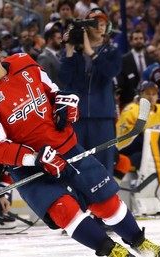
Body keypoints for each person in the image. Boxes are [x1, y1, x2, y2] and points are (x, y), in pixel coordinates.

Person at [0, 31, 160, 257]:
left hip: (67, 147)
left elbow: (53, 92)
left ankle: (141, 243)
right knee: (64, 211)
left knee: (106, 202)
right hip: (29, 166)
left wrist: (65, 106)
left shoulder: (23, 61)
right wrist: (35, 158)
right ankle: (113, 251)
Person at [59, 8, 122, 174]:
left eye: (102, 24)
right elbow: (64, 79)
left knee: (103, 167)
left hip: (102, 118)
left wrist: (92, 54)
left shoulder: (112, 52)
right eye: (94, 23)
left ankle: (105, 200)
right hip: (76, 118)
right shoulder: (73, 54)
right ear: (85, 27)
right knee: (74, 166)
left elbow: (110, 72)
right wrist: (70, 50)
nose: (99, 27)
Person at [117, 29, 156, 109]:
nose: (139, 41)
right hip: (129, 102)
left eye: (141, 39)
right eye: (136, 39)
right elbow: (121, 83)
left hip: (149, 102)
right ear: (131, 41)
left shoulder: (151, 60)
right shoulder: (123, 60)